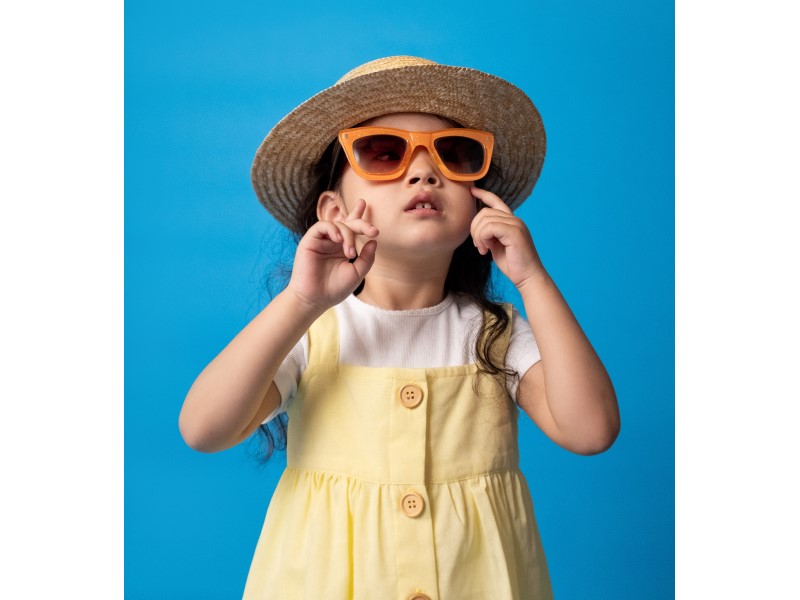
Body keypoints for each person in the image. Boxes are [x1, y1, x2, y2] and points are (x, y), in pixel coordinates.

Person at [179, 55, 620, 600]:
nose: (423, 171)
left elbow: (591, 430)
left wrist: (532, 279)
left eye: (453, 154)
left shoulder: (495, 333)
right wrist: (300, 301)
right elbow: (203, 428)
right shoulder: (312, 332)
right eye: (384, 153)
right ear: (333, 209)